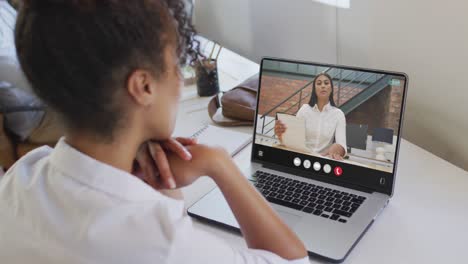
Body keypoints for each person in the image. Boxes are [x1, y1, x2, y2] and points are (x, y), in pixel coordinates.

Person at [0, 1, 309, 263]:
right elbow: (294, 261)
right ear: (144, 87)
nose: (178, 78)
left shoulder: (18, 180)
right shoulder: (158, 244)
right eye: (175, 64)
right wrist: (219, 165)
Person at [275, 73, 347, 160]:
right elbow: (295, 138)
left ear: (331, 88)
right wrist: (282, 136)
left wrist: (338, 148)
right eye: (319, 83)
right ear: (314, 89)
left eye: (326, 83)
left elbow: (342, 145)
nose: (323, 86)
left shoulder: (338, 114)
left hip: (323, 159)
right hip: (302, 157)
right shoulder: (304, 110)